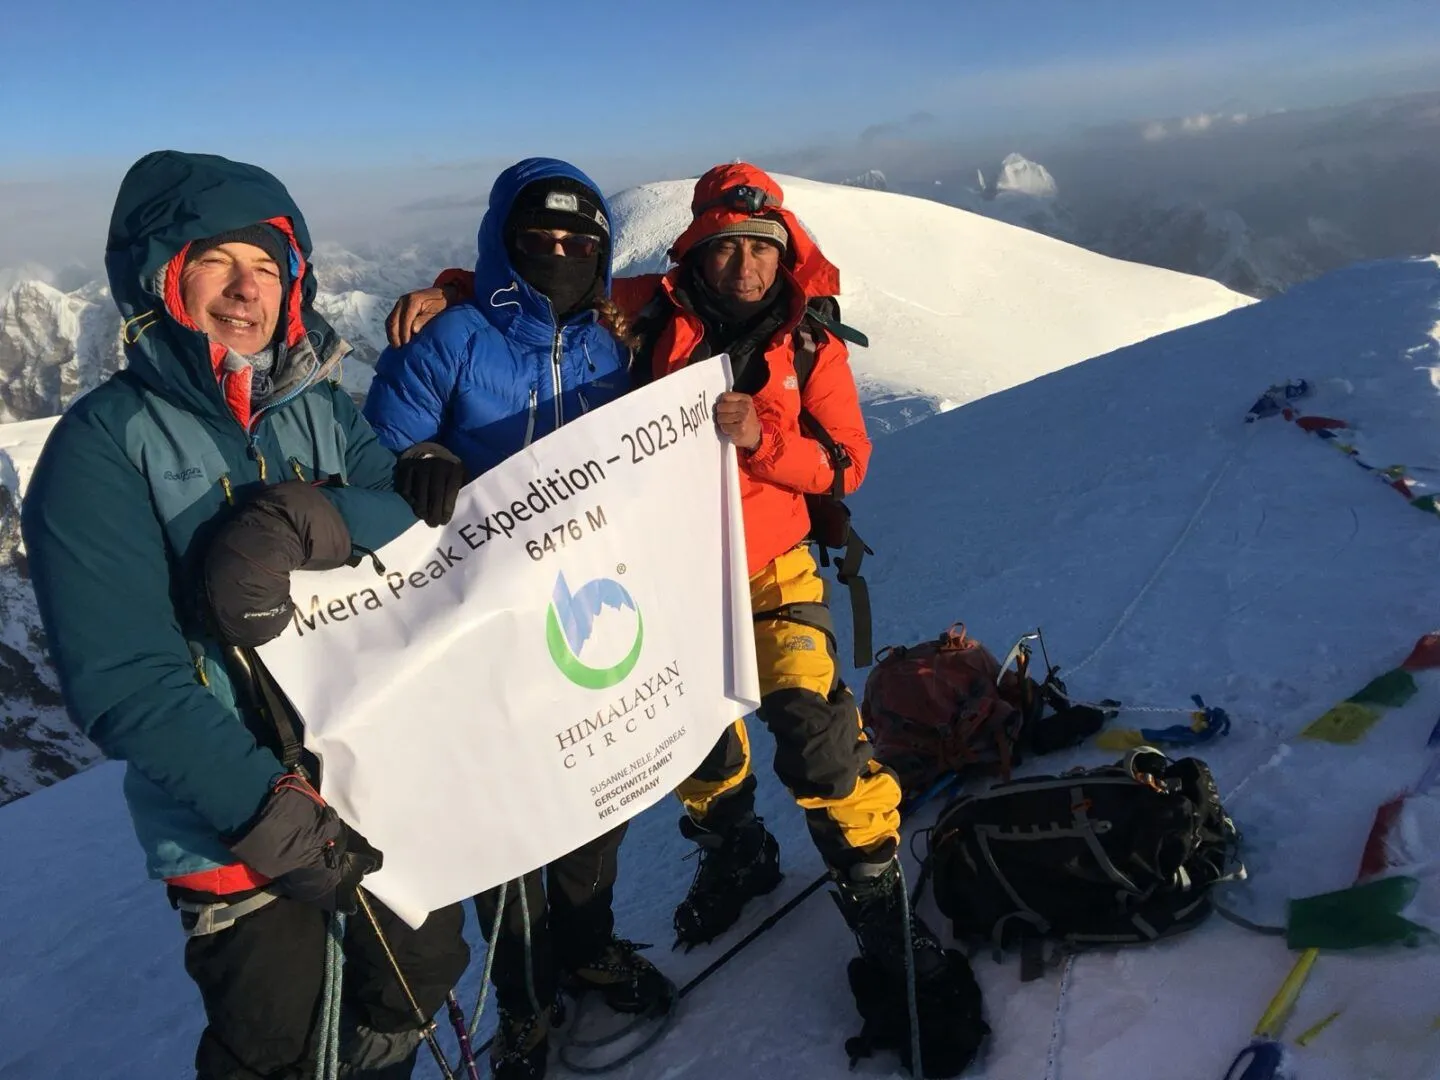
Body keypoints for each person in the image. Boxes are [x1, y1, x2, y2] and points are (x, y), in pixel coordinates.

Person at [385, 163, 987, 1076]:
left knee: (813, 728)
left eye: (760, 247)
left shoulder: (814, 345)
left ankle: (881, 914)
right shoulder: (651, 309)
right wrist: (449, 292)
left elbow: (847, 464)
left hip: (774, 566)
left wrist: (766, 439)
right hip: (668, 567)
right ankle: (733, 846)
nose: (744, 263)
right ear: (697, 252)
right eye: (726, 246)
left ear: (785, 254)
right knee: (691, 728)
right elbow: (552, 285)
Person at [22, 150, 470, 1080]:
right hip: (237, 825)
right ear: (163, 277)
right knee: (277, 1041)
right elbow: (124, 680)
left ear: (294, 283)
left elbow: (397, 509)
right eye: (216, 261)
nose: (246, 288)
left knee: (418, 973)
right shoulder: (101, 449)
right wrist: (267, 811)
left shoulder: (314, 403)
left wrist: (308, 519)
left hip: (372, 768)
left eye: (267, 265)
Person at [362, 158, 668, 1080]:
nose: (563, 255)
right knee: (501, 816)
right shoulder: (451, 337)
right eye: (541, 240)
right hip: (471, 624)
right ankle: (526, 999)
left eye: (583, 244)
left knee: (593, 792)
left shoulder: (611, 350)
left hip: (577, 613)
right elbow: (374, 439)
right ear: (506, 243)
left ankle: (587, 944)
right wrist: (415, 456)